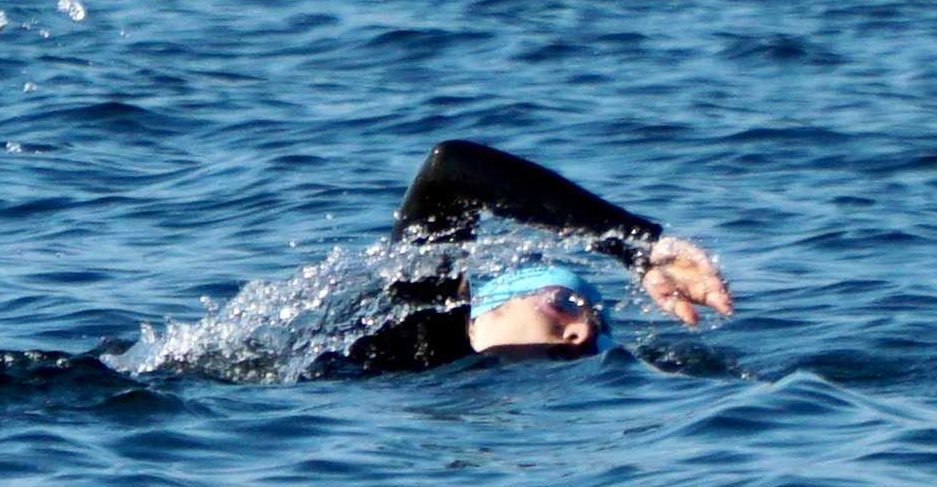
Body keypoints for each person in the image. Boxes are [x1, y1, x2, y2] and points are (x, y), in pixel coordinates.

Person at [306, 139, 735, 375]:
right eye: (565, 303)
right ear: (486, 310)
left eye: (600, 326)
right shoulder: (419, 332)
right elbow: (450, 170)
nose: (584, 331)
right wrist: (637, 245)